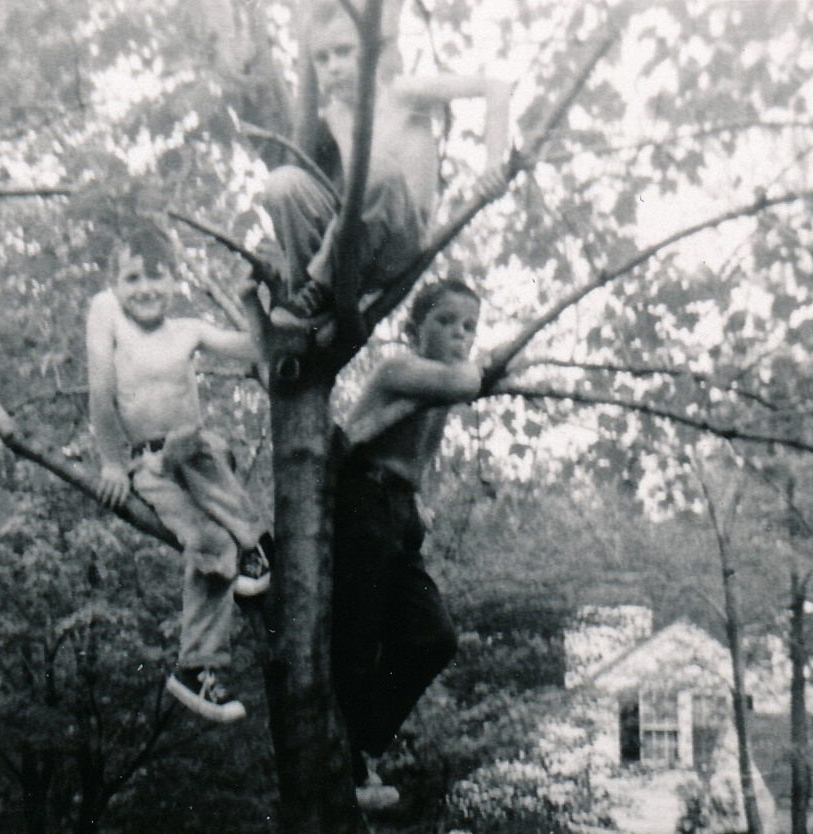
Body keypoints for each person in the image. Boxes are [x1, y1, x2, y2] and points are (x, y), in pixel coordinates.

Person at [86, 218, 272, 723]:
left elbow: (257, 348)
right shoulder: (108, 316)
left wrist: (252, 300)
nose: (145, 288)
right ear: (114, 284)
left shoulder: (187, 331)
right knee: (211, 544)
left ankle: (253, 551)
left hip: (195, 457)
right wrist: (110, 461)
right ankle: (198, 668)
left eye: (157, 276)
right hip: (151, 464)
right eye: (132, 278)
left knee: (202, 443)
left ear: (174, 281)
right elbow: (101, 392)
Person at [261, 1, 512, 342]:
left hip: (399, 243)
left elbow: (496, 88)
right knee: (282, 183)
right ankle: (311, 304)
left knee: (376, 169)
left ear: (369, 52)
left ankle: (319, 288)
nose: (333, 67)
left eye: (343, 52)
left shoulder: (402, 92)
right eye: (322, 58)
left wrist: (493, 163)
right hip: (352, 248)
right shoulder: (334, 114)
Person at [332, 277, 487, 801]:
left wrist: (415, 507)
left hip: (399, 510)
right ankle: (349, 764)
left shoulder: (440, 388)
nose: (459, 335)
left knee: (433, 637)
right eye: (445, 321)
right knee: (357, 634)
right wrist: (477, 370)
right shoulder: (399, 370)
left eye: (470, 327)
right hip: (363, 500)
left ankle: (360, 742)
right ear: (414, 328)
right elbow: (467, 382)